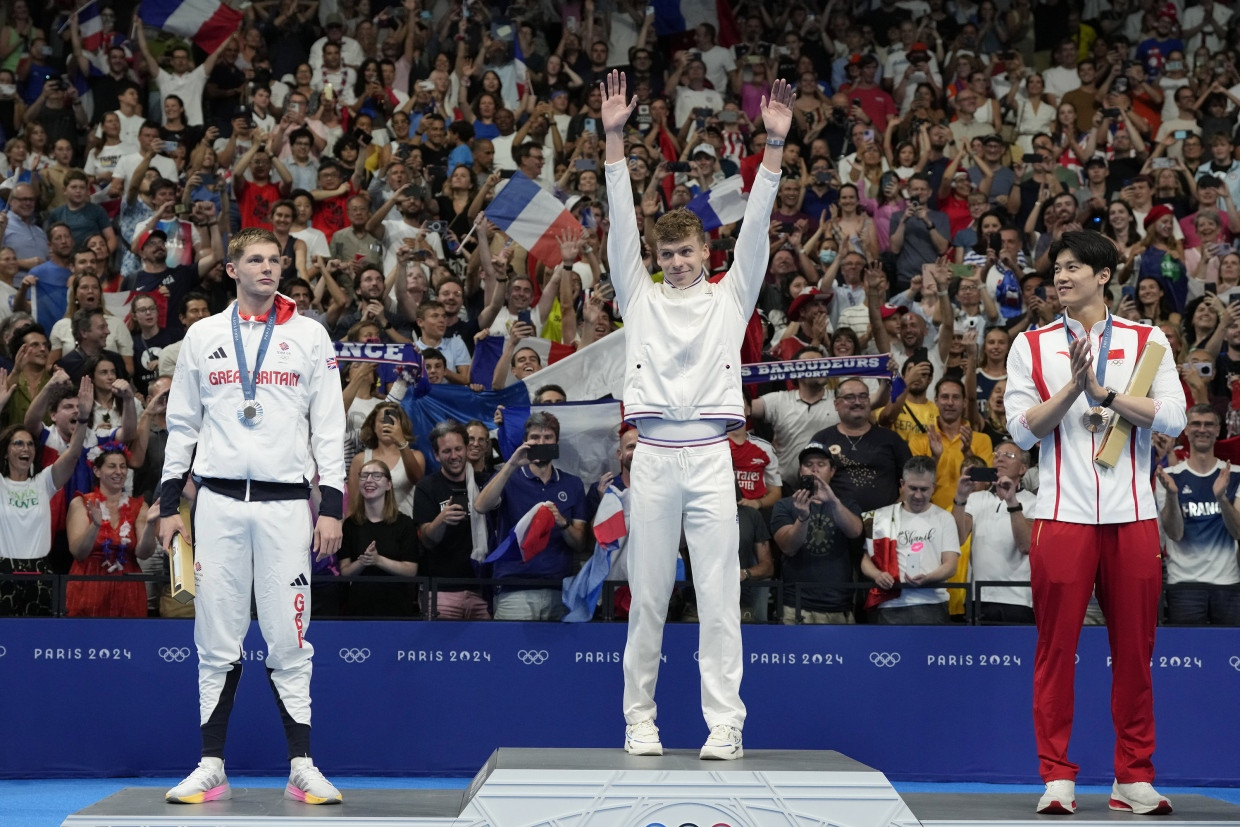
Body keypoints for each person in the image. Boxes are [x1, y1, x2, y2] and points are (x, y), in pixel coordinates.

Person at [602, 69, 790, 761]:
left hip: (713, 456)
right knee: (647, 598)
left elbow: (761, 225)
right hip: (652, 456)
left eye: (686, 251)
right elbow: (622, 223)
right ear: (654, 259)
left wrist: (772, 150)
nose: (676, 261)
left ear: (706, 253)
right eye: (666, 253)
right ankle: (639, 721)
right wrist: (615, 140)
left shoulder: (731, 294)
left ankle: (726, 724)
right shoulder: (640, 296)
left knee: (718, 599)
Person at [157, 227, 346, 806]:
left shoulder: (310, 335)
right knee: (215, 636)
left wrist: (332, 507)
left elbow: (331, 427)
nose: (268, 268)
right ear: (232, 270)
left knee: (289, 636)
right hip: (215, 505)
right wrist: (169, 505)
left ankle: (302, 766)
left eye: (275, 260)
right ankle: (211, 764)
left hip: (288, 506)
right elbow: (182, 423)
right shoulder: (203, 335)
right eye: (256, 260)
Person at [1004, 230, 1185, 816]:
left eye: (1073, 267)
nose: (1060, 277)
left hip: (1133, 514)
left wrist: (1104, 392)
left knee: (1135, 652)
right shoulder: (1029, 346)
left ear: (1104, 275)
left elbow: (1176, 419)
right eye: (1056, 268)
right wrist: (1074, 389)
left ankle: (1132, 776)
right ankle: (1057, 777)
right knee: (1055, 651)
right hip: (1061, 515)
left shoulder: (1146, 340)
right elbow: (1021, 431)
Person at [0, 377, 92, 617]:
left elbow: (72, 455)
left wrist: (83, 418)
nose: (25, 449)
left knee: (38, 642)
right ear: (6, 451)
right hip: (3, 571)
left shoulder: (43, 482)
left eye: (30, 444)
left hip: (40, 573)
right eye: (18, 444)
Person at [1155, 404, 1240, 626]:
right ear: (1186, 430)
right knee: (1186, 656)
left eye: (1209, 424)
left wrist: (1222, 498)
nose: (1202, 429)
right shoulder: (1168, 477)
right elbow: (1174, 534)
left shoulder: (1235, 475)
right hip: (1183, 584)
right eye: (1196, 424)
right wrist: (1173, 496)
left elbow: (1238, 531)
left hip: (1228, 583)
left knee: (1229, 655)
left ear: (1218, 430)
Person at [770, 441, 864, 624]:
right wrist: (803, 517)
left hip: (838, 605)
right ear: (800, 471)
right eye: (808, 465)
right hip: (795, 605)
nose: (815, 470)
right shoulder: (785, 505)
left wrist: (833, 502)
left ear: (832, 471)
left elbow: (855, 531)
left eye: (821, 465)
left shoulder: (847, 505)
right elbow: (788, 547)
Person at [860, 455, 961, 624]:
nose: (918, 495)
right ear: (902, 485)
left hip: (932, 603)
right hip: (890, 603)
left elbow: (950, 566)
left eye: (924, 489)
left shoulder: (945, 518)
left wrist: (927, 578)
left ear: (934, 487)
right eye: (913, 488)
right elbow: (864, 558)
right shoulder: (878, 517)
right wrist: (877, 575)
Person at [65, 443, 157, 617]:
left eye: (123, 466)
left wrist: (151, 525)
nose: (119, 471)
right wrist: (96, 525)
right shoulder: (81, 503)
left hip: (128, 587)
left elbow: (144, 553)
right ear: (97, 471)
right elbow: (78, 552)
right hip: (88, 583)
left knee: (128, 640)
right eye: (112, 466)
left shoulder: (139, 506)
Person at [413, 420, 492, 620]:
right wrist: (441, 520)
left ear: (466, 449)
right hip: (441, 590)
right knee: (439, 650)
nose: (454, 456)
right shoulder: (426, 487)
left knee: (487, 650)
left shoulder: (486, 484)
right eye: (447, 451)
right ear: (436, 455)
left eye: (458, 449)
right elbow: (426, 540)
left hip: (482, 589)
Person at [950, 441, 1036, 623]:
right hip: (979, 597)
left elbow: (1026, 545)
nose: (1000, 459)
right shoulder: (976, 499)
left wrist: (1012, 502)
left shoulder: (1033, 502)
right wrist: (960, 498)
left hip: (1018, 599)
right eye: (997, 454)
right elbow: (957, 538)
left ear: (1023, 469)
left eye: (1009, 456)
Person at [339, 458, 419, 617]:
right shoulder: (350, 525)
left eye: (376, 475)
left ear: (389, 484)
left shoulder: (404, 524)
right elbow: (345, 571)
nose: (369, 480)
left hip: (397, 609)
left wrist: (378, 560)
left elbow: (411, 570)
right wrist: (363, 562)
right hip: (359, 609)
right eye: (364, 475)